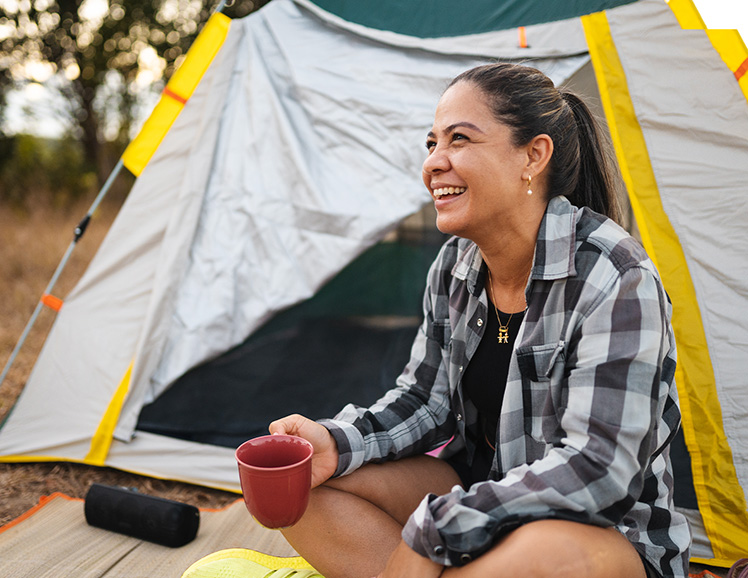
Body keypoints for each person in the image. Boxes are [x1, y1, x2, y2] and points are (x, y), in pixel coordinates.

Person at [269, 63, 691, 578]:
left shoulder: (615, 278)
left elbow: (599, 469)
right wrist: (334, 443)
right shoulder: (453, 266)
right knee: (305, 485)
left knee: (544, 554)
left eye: (459, 139)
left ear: (533, 156)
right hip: (480, 499)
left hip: (601, 536)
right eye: (431, 143)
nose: (434, 163)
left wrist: (439, 526)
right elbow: (424, 400)